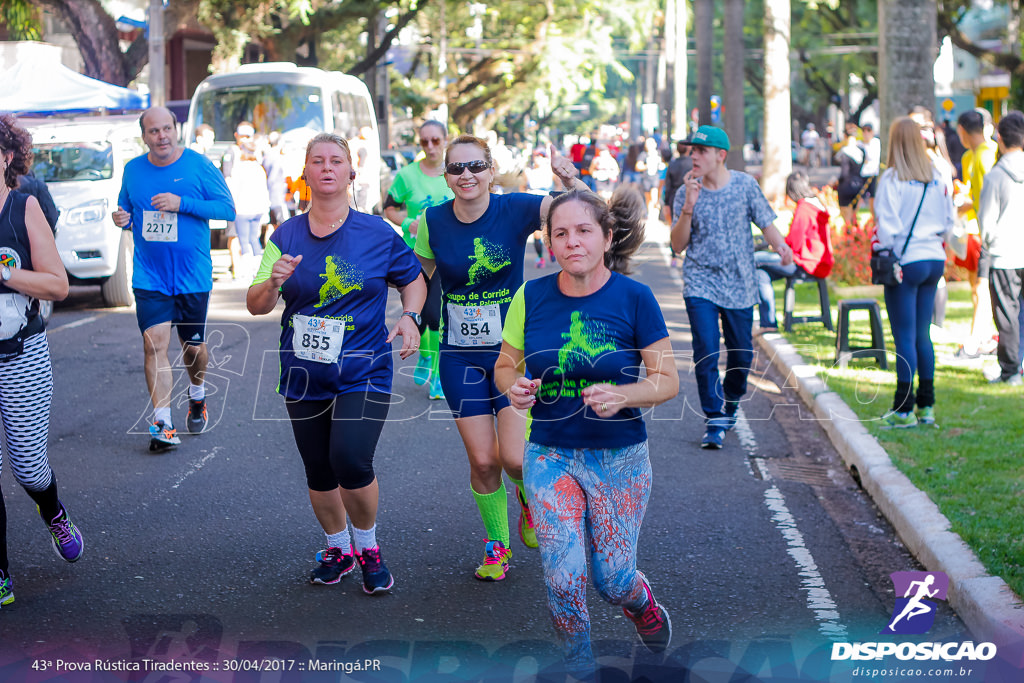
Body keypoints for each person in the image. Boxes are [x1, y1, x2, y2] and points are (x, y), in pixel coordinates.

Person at [494, 186, 678, 676]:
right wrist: (514, 389)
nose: (572, 241)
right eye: (560, 233)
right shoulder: (530, 295)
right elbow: (504, 367)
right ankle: (579, 666)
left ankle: (639, 602)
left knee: (612, 579)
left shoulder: (635, 298)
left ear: (607, 236)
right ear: (548, 243)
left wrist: (624, 394)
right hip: (551, 454)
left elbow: (667, 380)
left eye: (583, 231)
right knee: (562, 575)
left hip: (620, 456)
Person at [246, 132, 426, 593]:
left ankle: (367, 546)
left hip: (364, 368)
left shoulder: (376, 232)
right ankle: (338, 548)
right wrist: (273, 283)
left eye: (336, 161)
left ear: (351, 172)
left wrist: (410, 317)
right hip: (305, 372)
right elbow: (256, 303)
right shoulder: (283, 235)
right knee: (319, 469)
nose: (327, 168)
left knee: (349, 457)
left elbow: (413, 280)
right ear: (304, 173)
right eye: (317, 161)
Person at [414, 134, 585, 581]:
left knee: (513, 458)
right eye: (456, 168)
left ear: (491, 170)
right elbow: (418, 274)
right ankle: (497, 546)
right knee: (484, 460)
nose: (466, 175)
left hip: (512, 352)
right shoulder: (432, 221)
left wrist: (571, 183)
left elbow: (578, 215)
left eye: (475, 166)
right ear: (446, 176)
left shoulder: (516, 208)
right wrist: (410, 315)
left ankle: (528, 501)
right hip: (458, 356)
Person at [112, 107, 236, 451]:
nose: (162, 136)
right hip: (150, 276)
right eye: (154, 131)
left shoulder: (198, 165)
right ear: (144, 136)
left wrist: (182, 203)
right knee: (154, 343)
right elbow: (126, 211)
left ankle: (197, 393)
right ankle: (163, 421)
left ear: (175, 130)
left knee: (193, 349)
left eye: (167, 129)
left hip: (192, 276)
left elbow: (226, 209)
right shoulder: (133, 170)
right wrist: (120, 217)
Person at [0, 113, 82, 608]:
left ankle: (51, 510)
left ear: (7, 156)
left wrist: (7, 276)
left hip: (21, 355)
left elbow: (58, 284)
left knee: (29, 467)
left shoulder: (22, 207)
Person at [670, 125, 792, 449]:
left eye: (701, 151)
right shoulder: (686, 192)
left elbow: (766, 222)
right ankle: (714, 418)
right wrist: (689, 206)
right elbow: (678, 246)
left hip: (739, 283)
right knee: (706, 349)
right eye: (692, 150)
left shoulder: (745, 186)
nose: (693, 156)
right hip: (701, 282)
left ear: (720, 156)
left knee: (741, 354)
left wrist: (781, 247)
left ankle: (731, 401)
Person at [872, 117, 954, 427]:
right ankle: (927, 406)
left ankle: (903, 409)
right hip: (934, 258)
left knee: (904, 336)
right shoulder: (936, 176)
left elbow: (886, 227)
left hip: (906, 261)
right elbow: (949, 221)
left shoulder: (892, 179)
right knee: (923, 334)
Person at [383, 120, 454, 400]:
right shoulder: (407, 175)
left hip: (447, 256)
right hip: (415, 255)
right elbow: (389, 208)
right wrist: (410, 222)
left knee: (436, 316)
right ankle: (425, 355)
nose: (430, 146)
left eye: (436, 140)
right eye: (425, 142)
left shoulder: (454, 173)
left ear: (445, 140)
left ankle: (437, 375)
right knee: (422, 313)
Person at [976, 110, 1024, 386]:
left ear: (1000, 139)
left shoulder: (996, 176)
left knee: (1007, 315)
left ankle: (1009, 371)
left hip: (1004, 254)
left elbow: (987, 221)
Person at [755, 171, 834, 330]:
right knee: (760, 275)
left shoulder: (804, 208)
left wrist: (776, 246)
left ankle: (757, 317)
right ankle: (768, 324)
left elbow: (795, 243)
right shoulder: (816, 204)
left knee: (754, 258)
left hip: (803, 262)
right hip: (818, 262)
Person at [956, 109, 999, 358]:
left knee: (981, 289)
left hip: (982, 233)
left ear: (962, 130)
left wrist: (967, 203)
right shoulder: (970, 156)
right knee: (977, 289)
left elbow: (985, 200)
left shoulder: (986, 156)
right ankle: (982, 337)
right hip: (974, 230)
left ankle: (976, 340)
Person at [224, 122, 270, 280]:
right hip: (257, 209)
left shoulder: (240, 168)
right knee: (254, 239)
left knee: (244, 240)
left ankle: (247, 270)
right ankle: (259, 268)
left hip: (242, 209)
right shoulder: (259, 168)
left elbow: (233, 188)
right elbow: (264, 191)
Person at [835, 122, 865, 227]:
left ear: (845, 137)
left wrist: (836, 182)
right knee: (854, 215)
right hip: (859, 186)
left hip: (846, 187)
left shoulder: (845, 152)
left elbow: (844, 173)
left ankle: (849, 236)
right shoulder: (861, 151)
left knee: (846, 218)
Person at [859, 123, 881, 214]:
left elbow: (872, 157)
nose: (866, 133)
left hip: (873, 174)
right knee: (860, 197)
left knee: (873, 197)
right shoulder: (859, 144)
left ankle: (873, 217)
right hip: (862, 174)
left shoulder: (876, 142)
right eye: (864, 130)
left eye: (868, 130)